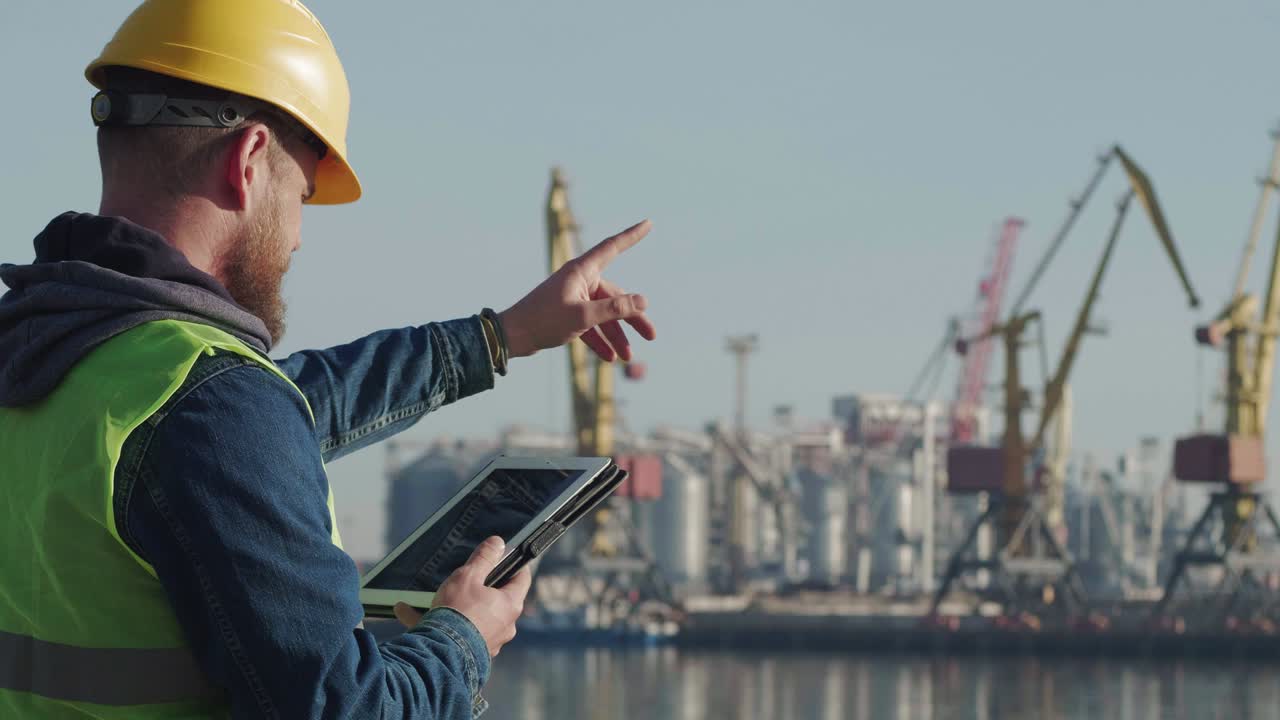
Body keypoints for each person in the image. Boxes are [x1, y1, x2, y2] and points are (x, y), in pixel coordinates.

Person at [0, 1, 655, 718]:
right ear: (250, 161)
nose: (301, 237)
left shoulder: (49, 355)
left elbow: (289, 404)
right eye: (303, 196)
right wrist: (463, 638)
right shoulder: (206, 405)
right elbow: (348, 708)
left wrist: (503, 335)